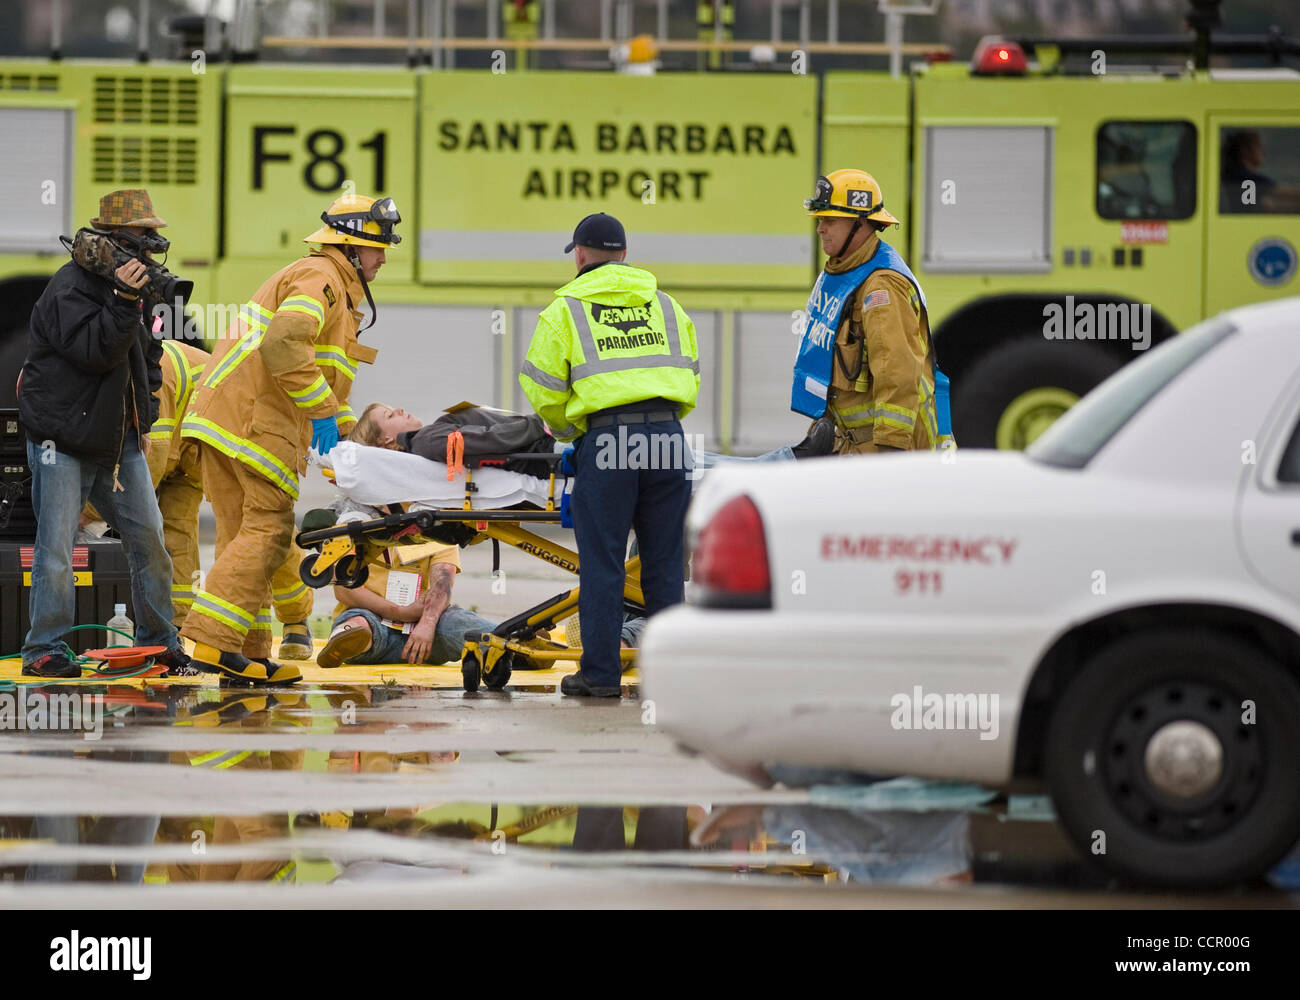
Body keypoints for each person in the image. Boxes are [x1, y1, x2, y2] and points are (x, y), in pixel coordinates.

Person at [178, 194, 400, 684]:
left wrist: (345, 434)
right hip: (255, 426)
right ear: (349, 247)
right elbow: (283, 343)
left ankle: (246, 654)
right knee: (270, 532)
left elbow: (324, 374)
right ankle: (213, 642)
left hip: (229, 422)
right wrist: (321, 412)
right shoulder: (321, 277)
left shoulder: (333, 291)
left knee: (244, 538)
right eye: (377, 248)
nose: (383, 258)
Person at [16, 189, 194, 678]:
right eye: (141, 237)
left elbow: (149, 355)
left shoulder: (133, 292)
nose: (150, 246)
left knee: (150, 542)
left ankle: (159, 643)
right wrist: (121, 301)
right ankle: (44, 651)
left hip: (119, 446)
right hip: (64, 443)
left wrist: (148, 408)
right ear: (115, 240)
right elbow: (95, 352)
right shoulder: (69, 288)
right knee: (55, 550)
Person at [519, 212, 698, 697]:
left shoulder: (565, 310)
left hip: (609, 441)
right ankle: (671, 679)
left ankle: (600, 678)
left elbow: (542, 389)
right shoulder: (665, 305)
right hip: (667, 438)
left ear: (578, 254)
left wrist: (570, 428)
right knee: (664, 565)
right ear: (624, 253)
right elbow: (691, 375)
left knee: (604, 565)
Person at [794, 170, 941, 455]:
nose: (820, 229)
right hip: (852, 446)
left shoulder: (881, 287)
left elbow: (896, 373)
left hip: (883, 451)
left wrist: (890, 452)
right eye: (820, 220)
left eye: (829, 220)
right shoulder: (847, 273)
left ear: (860, 225)